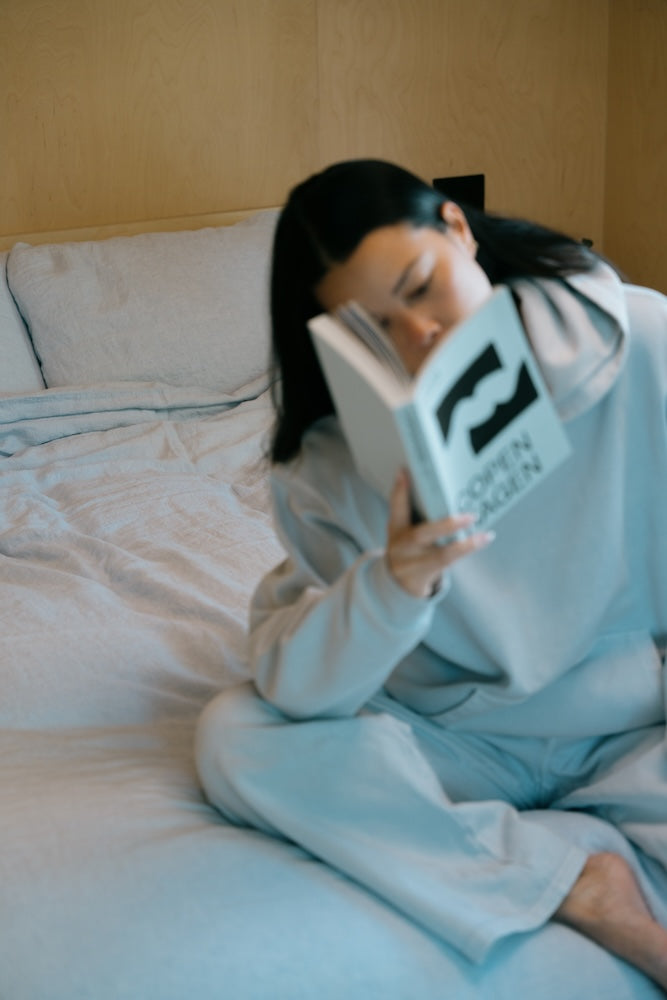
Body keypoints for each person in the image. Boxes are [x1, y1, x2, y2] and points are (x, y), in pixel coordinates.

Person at [196, 159, 667, 987]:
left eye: (420, 287)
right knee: (238, 737)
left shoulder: (642, 341)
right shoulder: (325, 468)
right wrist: (396, 579)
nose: (419, 337)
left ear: (457, 230)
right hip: (464, 737)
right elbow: (304, 694)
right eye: (372, 329)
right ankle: (573, 883)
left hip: (632, 724)